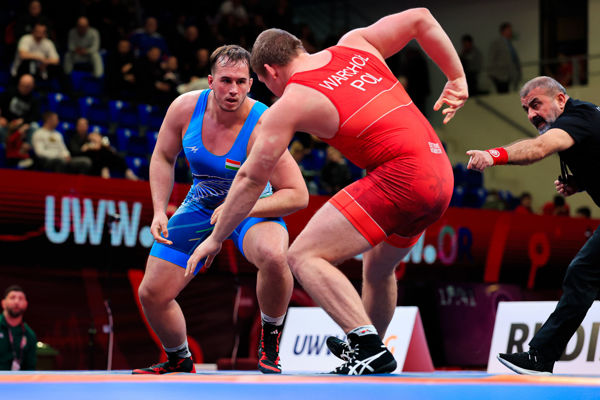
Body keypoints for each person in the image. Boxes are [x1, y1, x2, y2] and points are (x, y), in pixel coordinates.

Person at [185, 8, 468, 375]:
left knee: (303, 255)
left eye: (264, 83)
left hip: (403, 176)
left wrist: (215, 239)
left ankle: (368, 347)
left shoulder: (291, 102)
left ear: (270, 72)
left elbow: (250, 179)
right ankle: (368, 355)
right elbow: (421, 18)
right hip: (440, 174)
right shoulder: (356, 44)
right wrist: (456, 77)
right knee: (378, 267)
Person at [132, 45, 308, 375]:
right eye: (226, 81)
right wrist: (158, 210)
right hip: (202, 202)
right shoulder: (185, 108)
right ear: (210, 81)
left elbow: (298, 194)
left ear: (251, 84)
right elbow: (163, 157)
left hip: (251, 205)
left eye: (241, 82)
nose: (233, 90)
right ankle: (179, 358)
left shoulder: (264, 123)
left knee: (274, 256)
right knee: (152, 293)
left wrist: (240, 208)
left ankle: (270, 339)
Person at [466, 76, 600, 375]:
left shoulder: (576, 119)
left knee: (582, 273)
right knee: (583, 274)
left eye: (536, 104)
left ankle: (540, 357)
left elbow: (538, 148)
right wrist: (580, 183)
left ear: (561, 100)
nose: (531, 115)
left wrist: (492, 155)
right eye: (526, 109)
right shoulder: (585, 117)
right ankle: (541, 356)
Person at [0, 285, 37, 370]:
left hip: (17, 377)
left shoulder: (29, 335)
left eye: (20, 298)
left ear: (26, 304)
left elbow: (30, 369)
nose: (16, 302)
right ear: (3, 303)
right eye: (12, 298)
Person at [488, 22, 521, 93]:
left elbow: (513, 59)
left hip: (510, 74)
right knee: (502, 93)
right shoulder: (497, 43)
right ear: (503, 31)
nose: (511, 32)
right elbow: (491, 59)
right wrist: (492, 73)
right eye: (509, 30)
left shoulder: (510, 43)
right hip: (500, 75)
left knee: (509, 93)